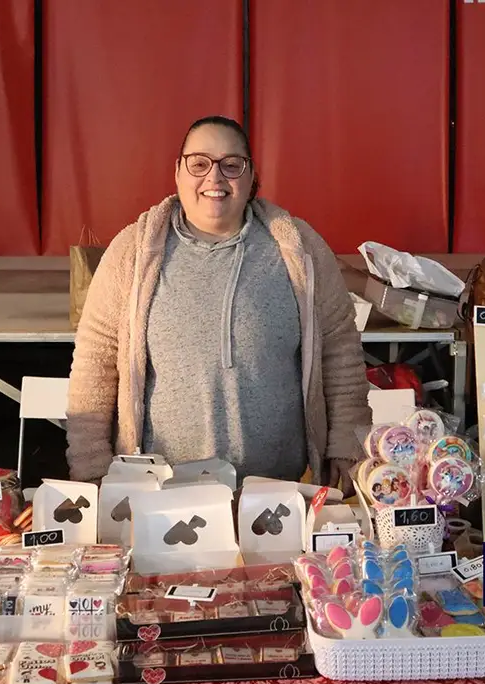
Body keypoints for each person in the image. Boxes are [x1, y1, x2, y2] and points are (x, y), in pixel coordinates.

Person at [65, 115, 371, 489]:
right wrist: (90, 463)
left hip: (279, 491)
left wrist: (345, 443)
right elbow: (95, 359)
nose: (214, 178)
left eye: (231, 165)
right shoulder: (132, 251)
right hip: (157, 494)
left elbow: (340, 348)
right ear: (177, 172)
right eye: (199, 163)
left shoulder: (299, 248)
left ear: (251, 175)